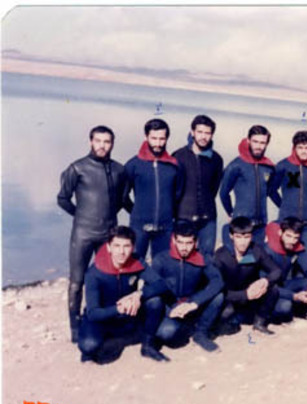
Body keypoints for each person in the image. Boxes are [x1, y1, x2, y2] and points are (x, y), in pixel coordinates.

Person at [57, 125, 131, 343]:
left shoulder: (119, 170)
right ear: (91, 141)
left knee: (107, 278)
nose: (102, 146)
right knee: (77, 281)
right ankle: (75, 327)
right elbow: (62, 199)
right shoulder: (77, 168)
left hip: (108, 235)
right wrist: (80, 215)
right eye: (98, 141)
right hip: (83, 233)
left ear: (112, 144)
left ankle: (104, 321)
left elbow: (122, 200)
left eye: (107, 142)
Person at [77, 226, 169, 363]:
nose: (121, 252)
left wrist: (139, 294)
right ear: (109, 247)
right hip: (105, 316)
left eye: (126, 246)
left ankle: (148, 346)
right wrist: (119, 309)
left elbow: (162, 284)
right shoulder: (94, 273)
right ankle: (99, 335)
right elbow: (93, 313)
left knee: (155, 301)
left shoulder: (136, 261)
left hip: (129, 315)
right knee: (89, 346)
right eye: (117, 246)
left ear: (133, 247)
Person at [147, 222, 225, 353]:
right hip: (170, 305)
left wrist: (194, 303)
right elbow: (151, 289)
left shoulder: (202, 258)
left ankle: (200, 333)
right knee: (167, 333)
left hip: (191, 303)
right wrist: (170, 309)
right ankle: (169, 329)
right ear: (174, 240)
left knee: (219, 296)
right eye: (181, 242)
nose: (184, 248)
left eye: (189, 243)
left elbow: (218, 281)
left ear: (195, 242)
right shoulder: (161, 259)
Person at [125, 118, 184, 260]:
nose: (158, 143)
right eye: (154, 138)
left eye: (162, 139)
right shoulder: (134, 165)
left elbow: (178, 194)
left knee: (162, 267)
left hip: (165, 227)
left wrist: (169, 214)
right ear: (146, 137)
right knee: (134, 265)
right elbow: (123, 196)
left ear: (167, 138)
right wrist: (137, 212)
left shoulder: (174, 166)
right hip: (139, 227)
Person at [213, 216, 281, 335]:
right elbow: (216, 290)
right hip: (230, 298)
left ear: (252, 236)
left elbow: (276, 271)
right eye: (238, 237)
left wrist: (265, 281)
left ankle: (259, 323)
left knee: (273, 289)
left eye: (247, 237)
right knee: (225, 315)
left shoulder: (256, 250)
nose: (243, 242)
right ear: (231, 236)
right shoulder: (221, 256)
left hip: (252, 295)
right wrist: (245, 295)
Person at [172, 115, 224, 261]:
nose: (203, 137)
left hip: (208, 218)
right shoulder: (178, 156)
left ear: (212, 135)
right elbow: (174, 189)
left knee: (207, 258)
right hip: (183, 216)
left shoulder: (216, 159)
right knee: (180, 258)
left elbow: (214, 188)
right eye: (200, 132)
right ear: (192, 132)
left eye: (207, 133)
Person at [219, 125, 275, 245]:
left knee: (257, 255)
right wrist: (230, 212)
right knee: (240, 255)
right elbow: (223, 192)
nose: (258, 146)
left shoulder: (268, 167)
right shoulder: (236, 165)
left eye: (262, 143)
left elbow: (270, 191)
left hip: (261, 224)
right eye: (255, 141)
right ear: (248, 140)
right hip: (241, 223)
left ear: (267, 144)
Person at [264, 217, 307, 322]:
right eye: (288, 236)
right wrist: (294, 296)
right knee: (285, 307)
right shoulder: (268, 251)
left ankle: (302, 306)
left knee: (306, 283)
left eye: (296, 238)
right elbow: (266, 287)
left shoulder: (294, 247)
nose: (292, 241)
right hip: (268, 291)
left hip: (282, 285)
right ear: (280, 232)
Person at [268, 130, 307, 224]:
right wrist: (283, 205)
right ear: (294, 148)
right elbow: (271, 190)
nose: (304, 151)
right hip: (286, 218)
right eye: (300, 148)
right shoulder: (283, 166)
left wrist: (306, 203)